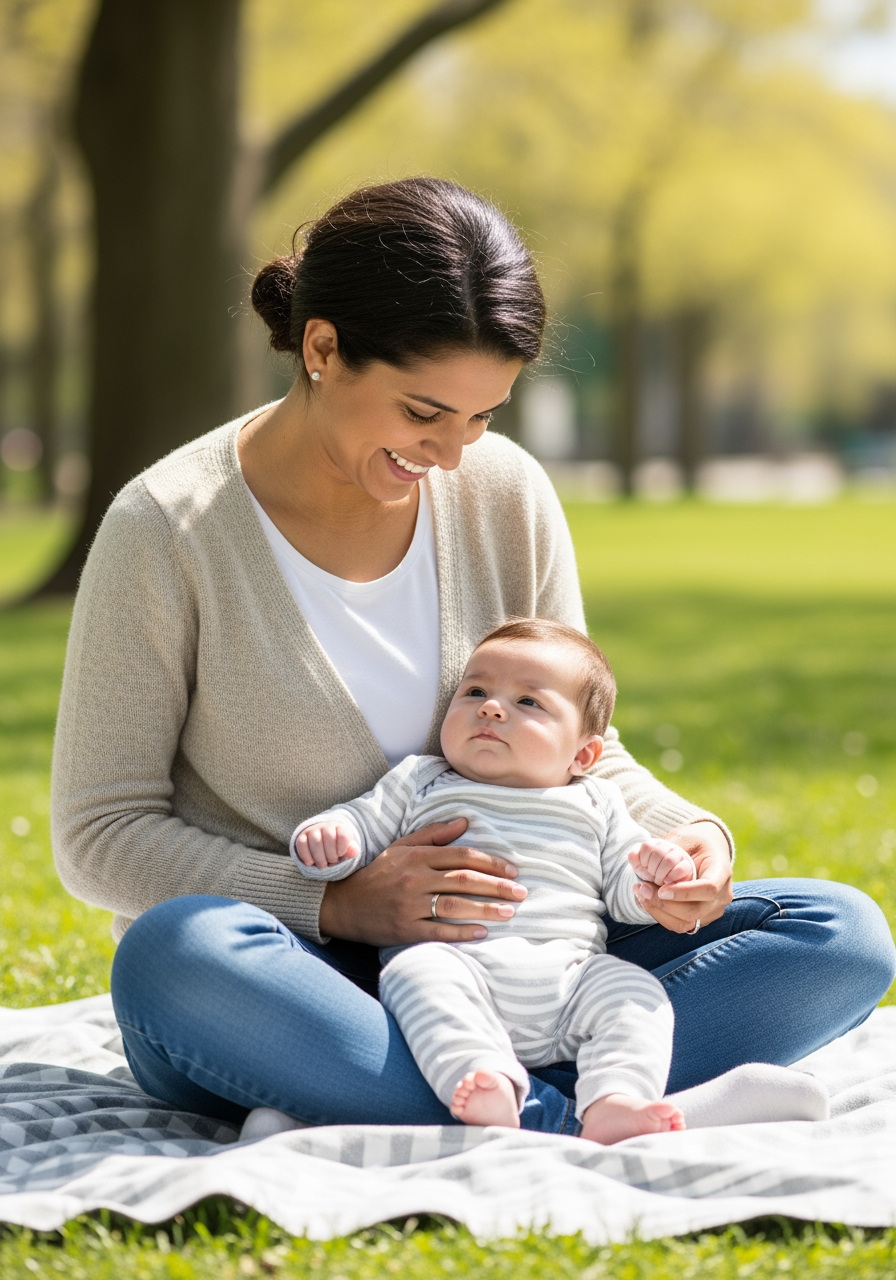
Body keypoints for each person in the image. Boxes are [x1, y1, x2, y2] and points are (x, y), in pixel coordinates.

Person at [51, 178, 895, 1137]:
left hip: (537, 955)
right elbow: (101, 836)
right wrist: (338, 902)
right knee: (175, 956)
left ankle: (401, 1104)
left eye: (482, 418)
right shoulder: (167, 529)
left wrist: (687, 842)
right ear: (322, 349)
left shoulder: (506, 495)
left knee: (841, 934)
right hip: (298, 974)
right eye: (424, 414)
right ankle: (578, 1108)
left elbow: (580, 742)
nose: (452, 456)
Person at [290, 618, 829, 1144]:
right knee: (415, 973)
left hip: (570, 979)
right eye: (474, 690)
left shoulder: (597, 800)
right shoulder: (421, 780)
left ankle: (615, 1100)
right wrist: (331, 837)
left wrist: (661, 876)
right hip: (458, 964)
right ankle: (483, 1079)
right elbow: (362, 821)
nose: (492, 706)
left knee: (633, 993)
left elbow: (627, 888)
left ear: (584, 755)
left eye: (529, 702)